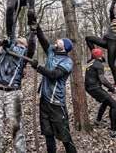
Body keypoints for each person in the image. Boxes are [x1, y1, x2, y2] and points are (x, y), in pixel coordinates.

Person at [30, 23, 77, 153]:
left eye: (60, 41)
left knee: (65, 136)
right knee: (48, 134)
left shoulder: (67, 62)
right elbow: (43, 40)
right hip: (44, 101)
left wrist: (38, 67)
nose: (57, 40)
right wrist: (37, 27)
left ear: (64, 47)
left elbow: (54, 75)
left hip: (56, 103)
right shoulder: (51, 51)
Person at [0, 33, 36, 153]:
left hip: (13, 93)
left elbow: (31, 48)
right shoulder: (8, 47)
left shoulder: (24, 52)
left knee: (16, 127)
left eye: (23, 38)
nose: (20, 37)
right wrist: (4, 41)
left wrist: (33, 32)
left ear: (26, 44)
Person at [85, 0, 116, 88]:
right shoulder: (113, 19)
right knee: (88, 38)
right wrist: (114, 1)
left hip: (113, 43)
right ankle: (95, 56)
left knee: (111, 64)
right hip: (105, 40)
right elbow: (111, 11)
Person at [84, 48, 116, 138]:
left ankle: (98, 120)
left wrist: (109, 87)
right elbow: (103, 80)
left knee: (105, 101)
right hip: (94, 88)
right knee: (114, 105)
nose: (104, 56)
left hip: (90, 88)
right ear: (100, 56)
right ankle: (113, 131)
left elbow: (96, 79)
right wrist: (112, 89)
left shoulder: (91, 63)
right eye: (103, 54)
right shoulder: (98, 64)